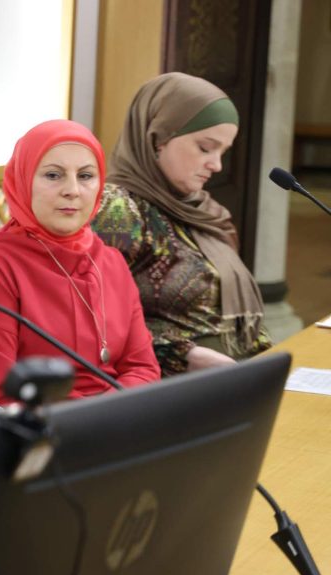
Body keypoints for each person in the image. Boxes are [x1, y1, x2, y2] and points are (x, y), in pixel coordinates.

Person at [0, 119, 160, 404]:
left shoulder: (111, 262)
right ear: (23, 181)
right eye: (53, 175)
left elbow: (143, 368)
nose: (73, 190)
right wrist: (97, 418)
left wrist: (112, 415)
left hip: (119, 418)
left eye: (85, 176)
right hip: (38, 425)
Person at [92, 72, 272, 375]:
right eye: (205, 147)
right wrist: (181, 355)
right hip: (170, 386)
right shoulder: (119, 209)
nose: (217, 165)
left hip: (236, 379)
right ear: (158, 138)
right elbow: (92, 319)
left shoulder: (205, 211)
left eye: (223, 152)